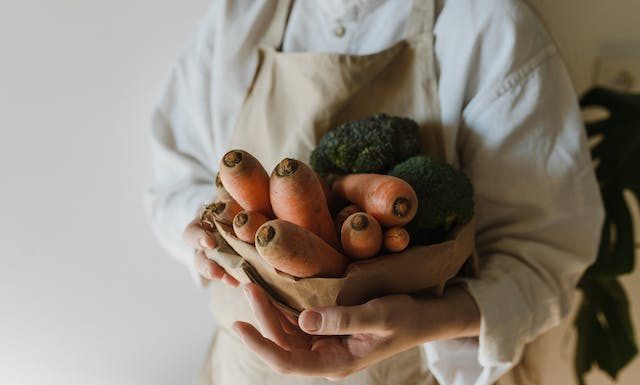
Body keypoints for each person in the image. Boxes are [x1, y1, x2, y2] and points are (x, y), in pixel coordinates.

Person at [145, 0, 604, 384]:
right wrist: (209, 237)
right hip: (242, 372)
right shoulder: (241, 18)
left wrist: (433, 319)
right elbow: (173, 185)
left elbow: (545, 257)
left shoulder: (489, 29)